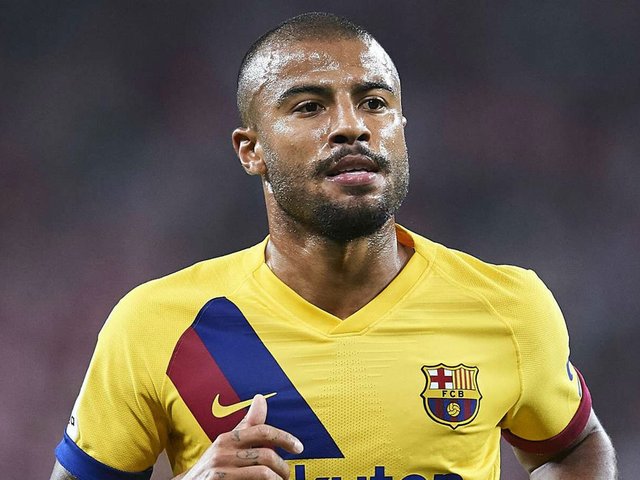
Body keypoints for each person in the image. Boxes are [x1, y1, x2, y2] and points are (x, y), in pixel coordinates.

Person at [50, 12, 617, 480]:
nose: (352, 125)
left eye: (374, 102)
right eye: (309, 106)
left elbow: (572, 446)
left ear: (401, 127)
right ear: (251, 150)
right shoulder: (159, 324)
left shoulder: (507, 306)